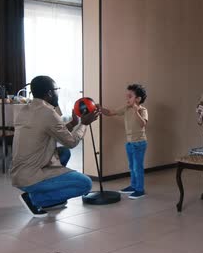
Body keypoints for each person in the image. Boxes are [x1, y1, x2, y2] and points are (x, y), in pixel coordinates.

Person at [11, 76, 101, 217]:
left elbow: (51, 131)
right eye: (56, 89)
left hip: (18, 174)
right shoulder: (48, 113)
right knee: (85, 184)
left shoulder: (25, 109)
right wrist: (84, 124)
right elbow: (71, 142)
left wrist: (71, 124)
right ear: (49, 93)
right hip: (30, 176)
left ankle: (48, 197)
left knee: (63, 152)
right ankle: (34, 199)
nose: (58, 93)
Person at [102, 84, 148, 199]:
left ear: (138, 99)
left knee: (138, 167)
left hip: (139, 143)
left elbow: (143, 124)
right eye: (126, 96)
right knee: (132, 166)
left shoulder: (143, 110)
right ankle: (133, 186)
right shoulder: (126, 108)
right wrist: (99, 108)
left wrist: (136, 111)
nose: (127, 99)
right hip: (130, 143)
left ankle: (140, 189)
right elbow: (110, 112)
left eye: (130, 97)